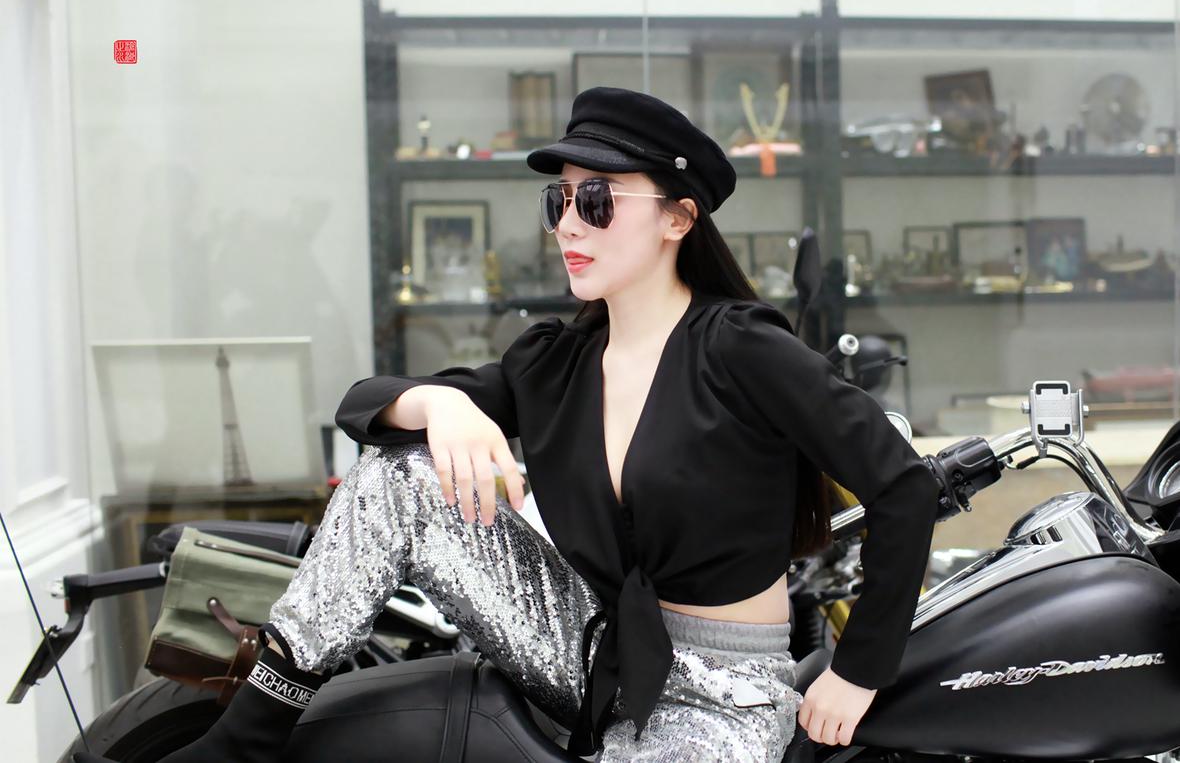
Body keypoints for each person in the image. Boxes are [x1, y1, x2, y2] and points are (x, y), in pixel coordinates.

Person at [79, 86, 941, 763]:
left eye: (596, 199)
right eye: (558, 200)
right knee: (399, 475)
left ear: (679, 217)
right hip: (590, 642)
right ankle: (246, 738)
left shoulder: (743, 349)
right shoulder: (558, 361)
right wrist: (441, 403)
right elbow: (366, 405)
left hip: (723, 687)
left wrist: (859, 668)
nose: (567, 223)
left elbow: (903, 486)